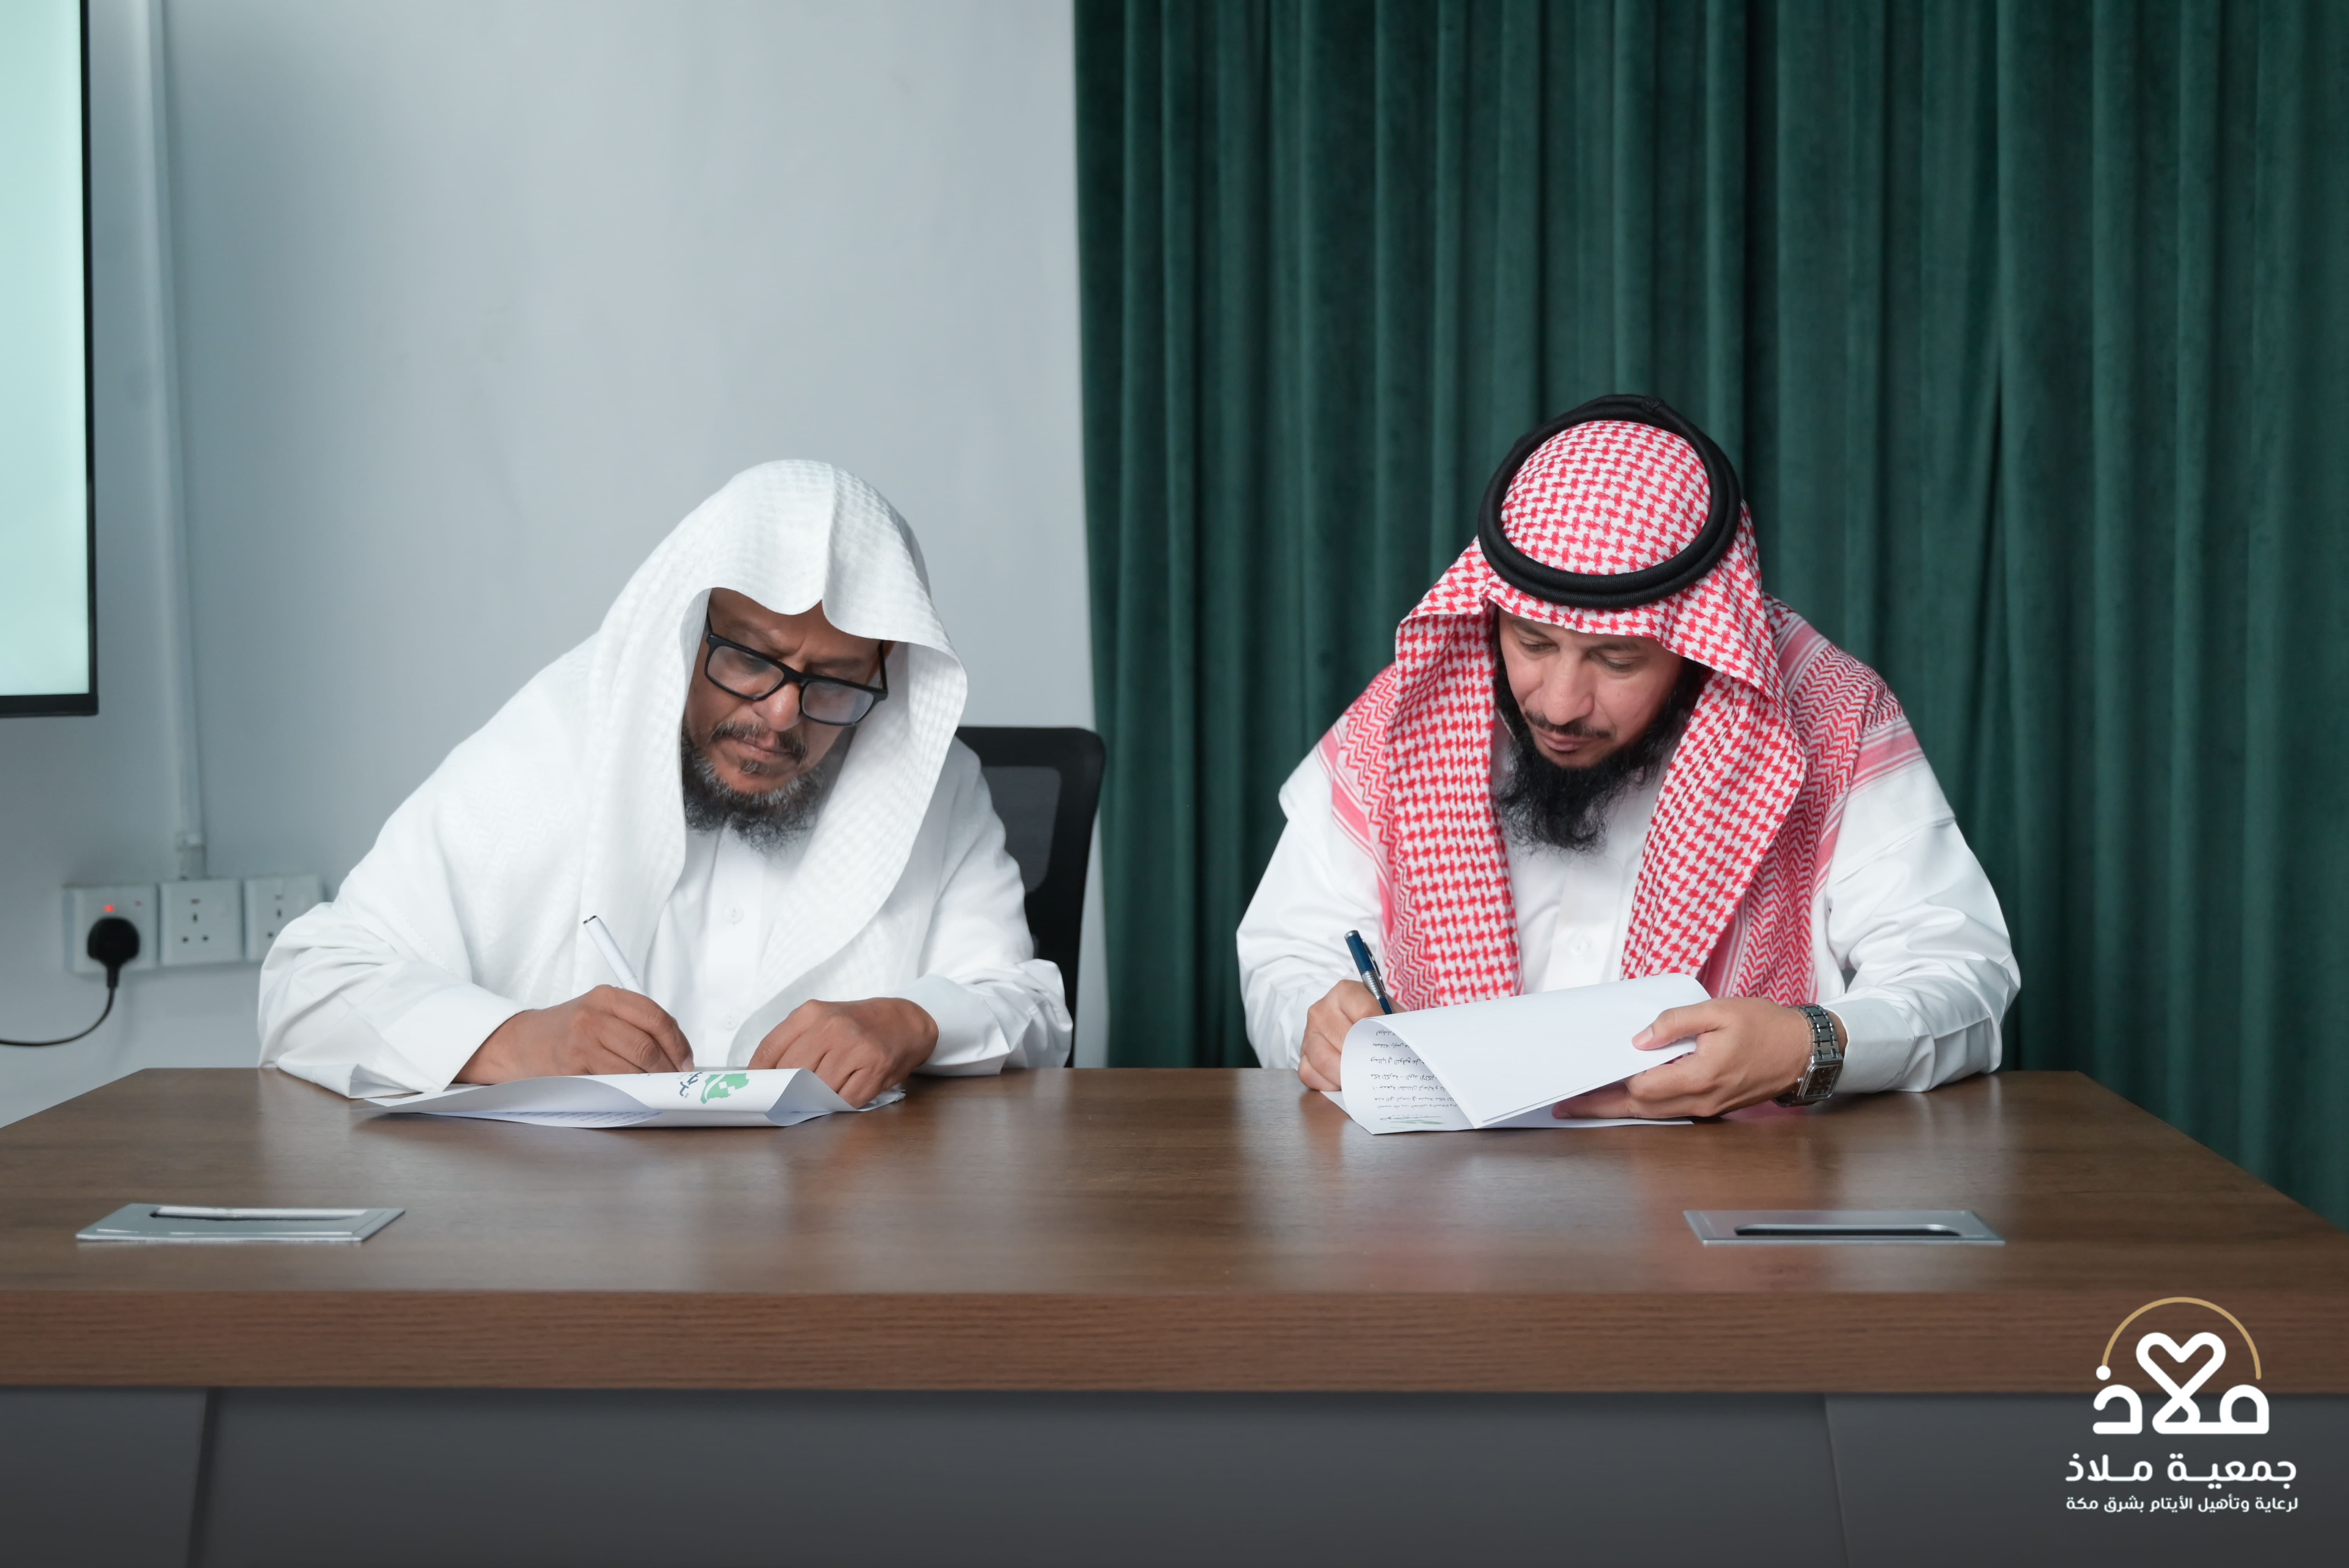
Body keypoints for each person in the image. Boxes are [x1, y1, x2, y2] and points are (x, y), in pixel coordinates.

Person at [1236, 395, 2017, 1118]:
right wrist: (1317, 1022)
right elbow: (1287, 955)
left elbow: (1962, 977)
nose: (1558, 704)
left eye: (1615, 661)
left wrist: (1807, 1047)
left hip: (1734, 1192)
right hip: (1438, 1199)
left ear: (1697, 647)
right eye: (1531, 642)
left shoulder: (1829, 714)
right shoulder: (1409, 714)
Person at [261, 460, 1069, 1106]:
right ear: (686, 631)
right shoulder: (553, 743)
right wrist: (514, 1041)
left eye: (833, 681)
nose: (782, 715)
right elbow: (308, 986)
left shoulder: (929, 782)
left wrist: (913, 1022)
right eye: (748, 658)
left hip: (839, 1228)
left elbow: (1031, 1007)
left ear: (884, 668)